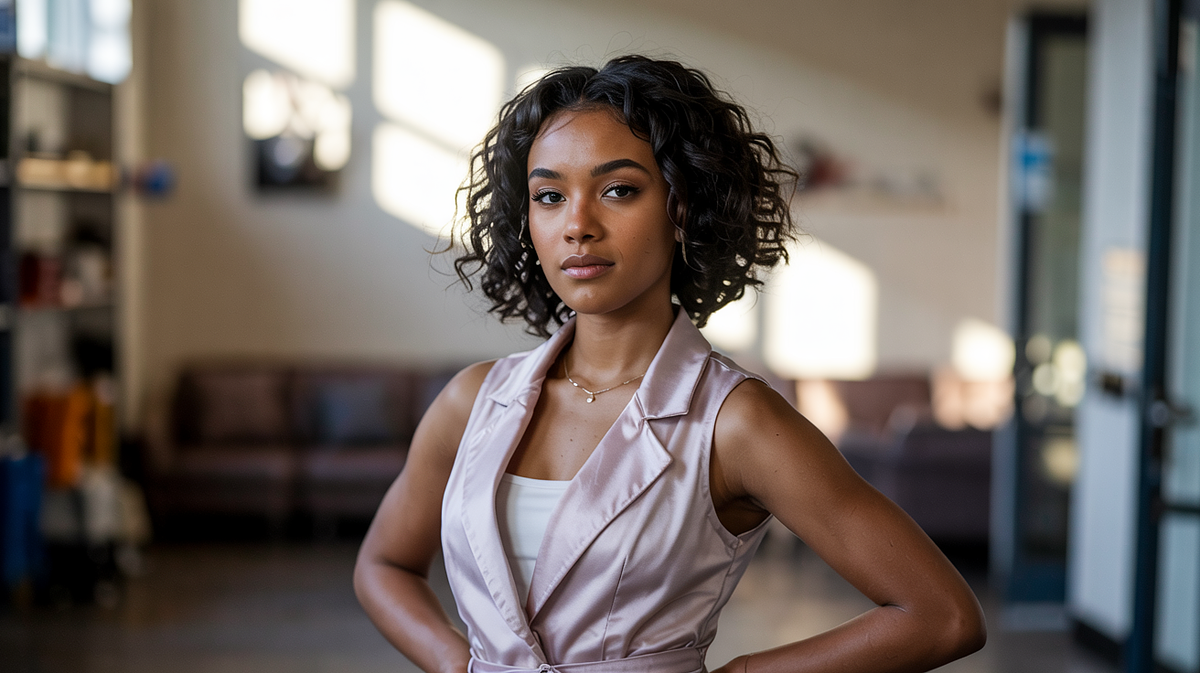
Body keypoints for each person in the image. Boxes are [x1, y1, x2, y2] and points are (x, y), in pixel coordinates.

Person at [355, 55, 986, 673]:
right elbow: (382, 566)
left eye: (619, 190)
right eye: (549, 196)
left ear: (681, 207)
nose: (578, 224)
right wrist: (457, 663)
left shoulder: (735, 423)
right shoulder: (474, 401)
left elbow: (940, 615)